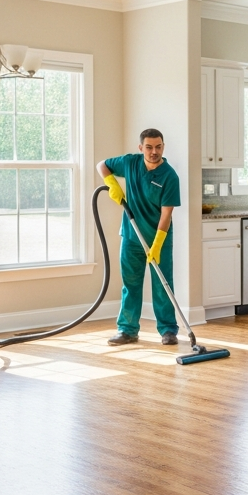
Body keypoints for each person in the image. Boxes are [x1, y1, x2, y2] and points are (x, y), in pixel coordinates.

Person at [101, 129, 182, 346]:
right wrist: (112, 183)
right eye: (149, 147)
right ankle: (127, 330)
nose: (154, 151)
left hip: (159, 239)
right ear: (141, 148)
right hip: (131, 236)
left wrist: (156, 244)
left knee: (162, 285)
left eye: (158, 147)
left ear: (163, 146)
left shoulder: (169, 176)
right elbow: (102, 165)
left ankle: (168, 330)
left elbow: (167, 213)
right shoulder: (129, 163)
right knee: (131, 284)